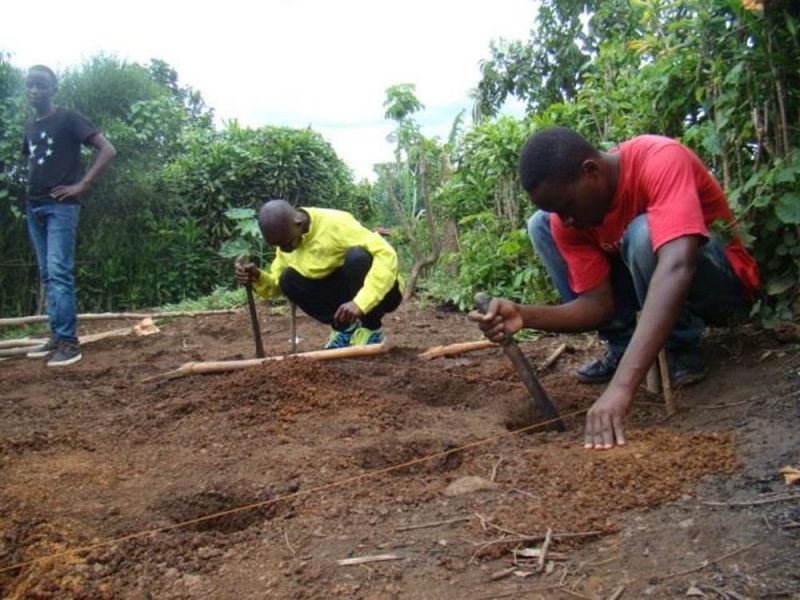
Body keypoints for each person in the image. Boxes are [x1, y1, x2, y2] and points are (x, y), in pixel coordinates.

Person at [471, 127, 759, 450]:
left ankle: (680, 348)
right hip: (653, 284)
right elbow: (597, 304)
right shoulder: (567, 219)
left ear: (590, 171)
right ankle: (624, 347)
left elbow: (678, 266)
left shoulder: (660, 159)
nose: (565, 220)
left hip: (717, 287)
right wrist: (524, 315)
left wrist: (622, 387)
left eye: (566, 206)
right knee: (541, 224)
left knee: (644, 233)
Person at [23, 65, 117, 367]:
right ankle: (56, 335)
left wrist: (82, 185)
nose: (35, 91)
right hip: (33, 205)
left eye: (41, 85)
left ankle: (69, 343)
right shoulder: (31, 126)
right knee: (48, 275)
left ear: (54, 88)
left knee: (59, 271)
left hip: (60, 207)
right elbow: (35, 163)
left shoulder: (69, 119)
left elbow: (107, 149)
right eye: (30, 86)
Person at [235, 199, 403, 348]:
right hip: (343, 293)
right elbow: (276, 286)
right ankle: (345, 330)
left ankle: (372, 328)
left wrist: (360, 303)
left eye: (285, 243)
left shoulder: (335, 223)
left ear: (298, 223)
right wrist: (257, 278)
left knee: (357, 256)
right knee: (287, 279)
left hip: (385, 294)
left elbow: (386, 254)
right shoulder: (286, 243)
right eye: (278, 246)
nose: (283, 249)